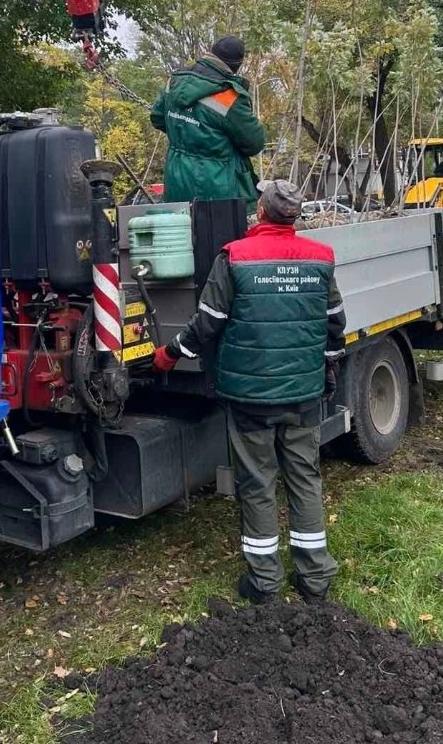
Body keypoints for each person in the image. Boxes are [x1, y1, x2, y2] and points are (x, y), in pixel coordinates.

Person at [153, 179, 346, 605]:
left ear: (261, 212)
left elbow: (208, 323)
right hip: (302, 394)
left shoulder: (235, 256)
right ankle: (315, 580)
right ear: (294, 216)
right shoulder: (321, 258)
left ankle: (264, 585)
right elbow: (335, 324)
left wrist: (169, 354)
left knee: (257, 483)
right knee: (305, 477)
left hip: (250, 398)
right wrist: (327, 367)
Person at [150, 36, 265, 205]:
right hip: (218, 188)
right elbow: (254, 143)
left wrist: (188, 131)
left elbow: (158, 118)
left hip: (176, 179)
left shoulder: (174, 81)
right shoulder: (229, 97)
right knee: (220, 231)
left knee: (183, 229)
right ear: (236, 66)